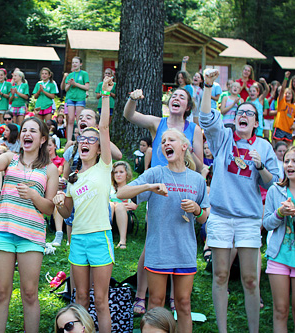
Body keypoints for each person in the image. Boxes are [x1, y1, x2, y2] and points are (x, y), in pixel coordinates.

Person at [199, 68, 279, 333]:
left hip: (249, 219)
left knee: (250, 280)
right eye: (239, 113)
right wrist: (209, 87)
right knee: (220, 275)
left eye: (249, 114)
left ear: (256, 122)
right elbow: (206, 118)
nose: (243, 116)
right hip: (221, 216)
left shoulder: (265, 147)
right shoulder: (223, 138)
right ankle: (223, 331)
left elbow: (273, 182)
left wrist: (260, 167)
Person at [118, 128, 209, 332]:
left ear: (184, 146)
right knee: (156, 303)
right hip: (158, 250)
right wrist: (149, 187)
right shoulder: (155, 173)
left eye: (172, 140)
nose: (166, 143)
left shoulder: (197, 180)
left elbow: (204, 217)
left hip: (184, 251)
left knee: (183, 303)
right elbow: (121, 192)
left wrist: (196, 209)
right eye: (163, 141)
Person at [0, 115, 58, 333]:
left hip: (31, 236)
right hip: (4, 232)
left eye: (33, 131)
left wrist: (33, 195)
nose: (26, 134)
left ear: (42, 139)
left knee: (30, 293)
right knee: (1, 292)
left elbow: (49, 208)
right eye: (24, 130)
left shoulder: (50, 169)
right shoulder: (10, 158)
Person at [53, 77, 114, 333]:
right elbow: (67, 212)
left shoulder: (104, 167)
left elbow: (104, 126)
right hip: (77, 239)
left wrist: (104, 95)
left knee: (100, 302)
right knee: (79, 301)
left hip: (100, 237)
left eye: (91, 140)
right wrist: (59, 202)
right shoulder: (73, 179)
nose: (86, 142)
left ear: (99, 148)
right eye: (81, 140)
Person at [263, 145, 295, 332]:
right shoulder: (275, 190)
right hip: (278, 257)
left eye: (294, 161)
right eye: (287, 161)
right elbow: (267, 224)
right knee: (280, 310)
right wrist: (280, 213)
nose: (289, 164)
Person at [110, 161, 138, 249]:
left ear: (127, 174)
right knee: (110, 205)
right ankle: (105, 237)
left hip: (126, 220)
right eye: (116, 172)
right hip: (109, 216)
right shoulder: (108, 188)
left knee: (120, 206)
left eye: (121, 172)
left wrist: (119, 205)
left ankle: (122, 241)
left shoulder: (131, 188)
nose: (118, 175)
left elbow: (134, 206)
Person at [65, 57, 90, 143]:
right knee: (70, 119)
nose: (74, 64)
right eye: (73, 62)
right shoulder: (70, 75)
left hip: (80, 98)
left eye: (76, 62)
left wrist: (76, 84)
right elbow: (66, 88)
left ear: (80, 64)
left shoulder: (84, 74)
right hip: (70, 98)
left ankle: (81, 138)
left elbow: (87, 87)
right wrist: (70, 84)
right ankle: (69, 140)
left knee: (79, 119)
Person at [273, 71, 295, 145]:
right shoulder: (281, 102)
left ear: (292, 96)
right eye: (286, 93)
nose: (287, 95)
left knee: (287, 148)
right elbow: (282, 90)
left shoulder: (293, 106)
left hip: (289, 130)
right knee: (278, 146)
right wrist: (286, 78)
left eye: (289, 93)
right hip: (280, 128)